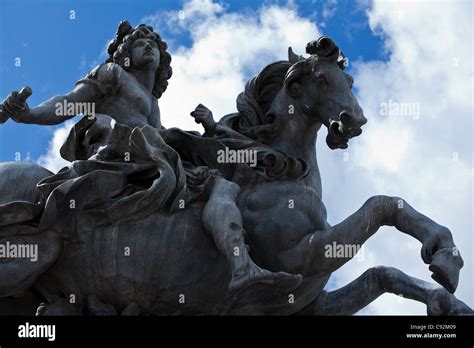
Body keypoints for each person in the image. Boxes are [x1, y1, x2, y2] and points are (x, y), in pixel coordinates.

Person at [1, 20, 301, 295]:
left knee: (223, 186)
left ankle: (242, 267)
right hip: (118, 155)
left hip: (152, 159)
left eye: (154, 46)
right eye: (139, 44)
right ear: (124, 54)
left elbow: (165, 138)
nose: (149, 48)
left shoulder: (153, 104)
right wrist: (28, 114)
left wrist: (210, 129)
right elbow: (68, 103)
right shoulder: (112, 74)